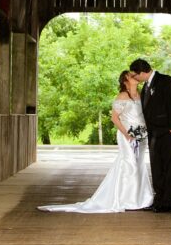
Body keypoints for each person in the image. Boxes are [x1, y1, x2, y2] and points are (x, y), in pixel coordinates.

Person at [38, 71, 153, 213]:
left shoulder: (141, 95)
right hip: (126, 135)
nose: (135, 76)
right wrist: (127, 135)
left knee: (140, 164)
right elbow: (115, 118)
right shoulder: (122, 96)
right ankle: (126, 200)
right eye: (131, 76)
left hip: (141, 136)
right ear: (125, 81)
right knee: (129, 163)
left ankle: (141, 199)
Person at [129, 58, 171, 213]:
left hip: (167, 132)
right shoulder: (145, 87)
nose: (134, 79)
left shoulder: (165, 81)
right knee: (156, 168)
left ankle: (168, 203)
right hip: (153, 134)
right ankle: (158, 201)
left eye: (135, 75)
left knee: (169, 168)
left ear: (143, 72)